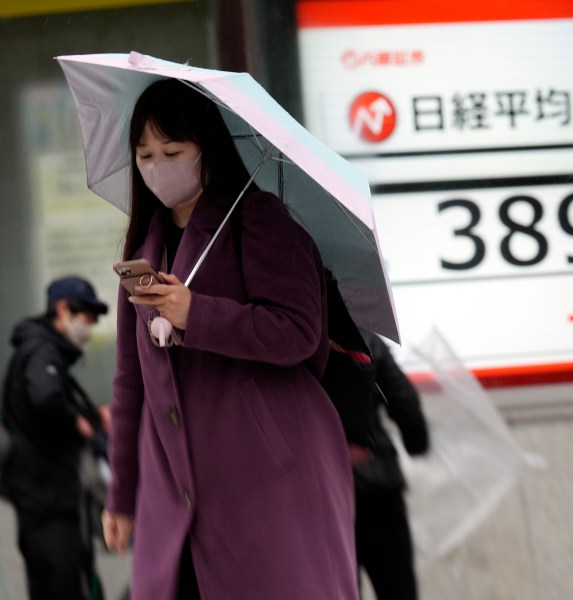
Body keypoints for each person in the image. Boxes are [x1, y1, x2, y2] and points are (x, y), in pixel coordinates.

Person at [100, 79, 358, 599]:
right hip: (176, 488)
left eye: (172, 151)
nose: (157, 166)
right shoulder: (143, 247)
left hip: (266, 475)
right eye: (144, 154)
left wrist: (197, 313)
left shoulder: (258, 220)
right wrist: (122, 498)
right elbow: (131, 385)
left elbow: (299, 332)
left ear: (206, 151)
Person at [1, 275, 109, 600]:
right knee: (64, 584)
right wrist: (80, 423)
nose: (88, 327)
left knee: (46, 586)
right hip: (49, 498)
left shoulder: (39, 348)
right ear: (63, 310)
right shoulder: (42, 349)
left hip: (37, 495)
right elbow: (45, 396)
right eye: (86, 317)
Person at [351, 330, 429, 600]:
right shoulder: (367, 339)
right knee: (397, 588)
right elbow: (404, 400)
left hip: (323, 494)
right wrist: (416, 442)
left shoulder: (299, 344)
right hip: (379, 484)